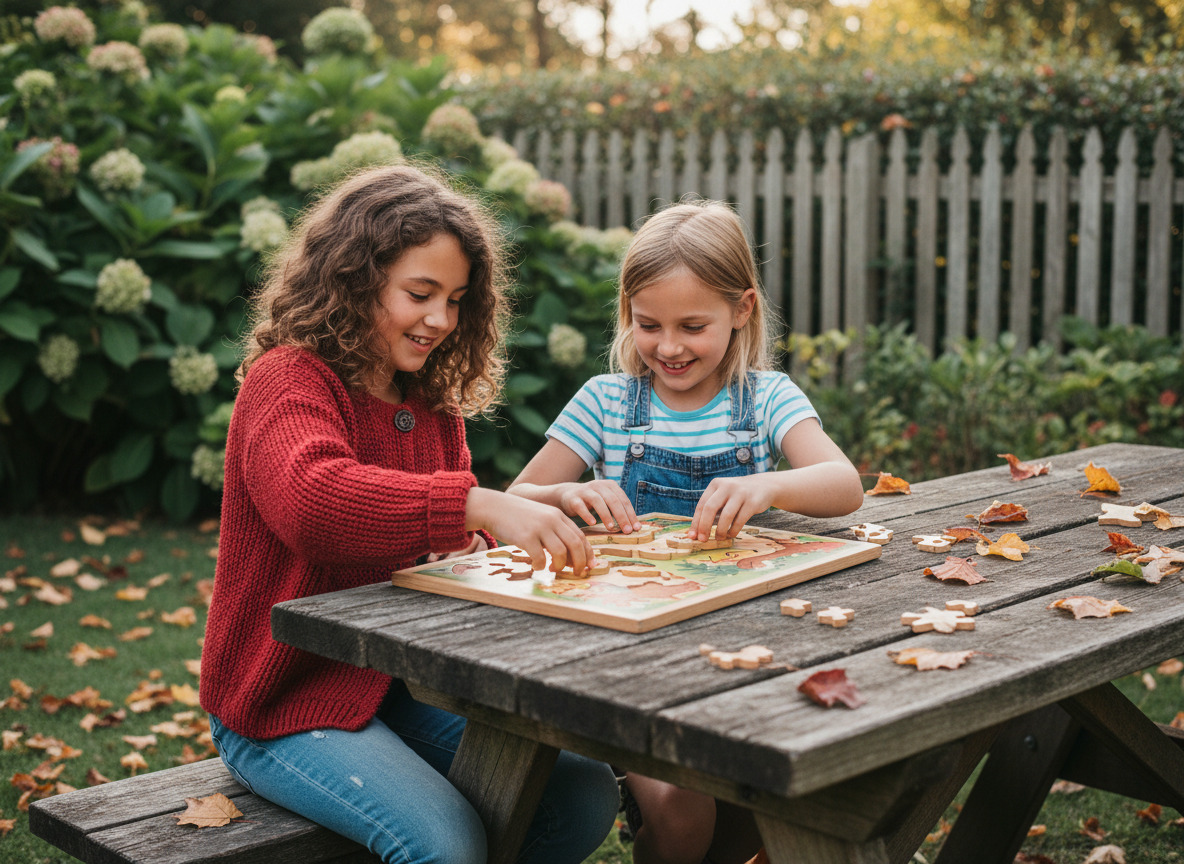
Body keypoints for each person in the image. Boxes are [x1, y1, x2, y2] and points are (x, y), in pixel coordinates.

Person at [199, 164, 619, 864]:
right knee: (444, 844)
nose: (440, 320)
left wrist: (517, 511)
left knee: (579, 791)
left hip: (397, 688)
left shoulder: (428, 403)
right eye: (419, 294)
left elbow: (436, 545)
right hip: (279, 701)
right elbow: (314, 502)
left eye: (455, 300)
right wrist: (474, 502)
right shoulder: (288, 381)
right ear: (353, 281)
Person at [508, 200, 864, 864]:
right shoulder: (607, 402)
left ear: (742, 309)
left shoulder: (766, 399)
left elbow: (844, 484)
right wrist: (568, 490)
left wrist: (768, 485)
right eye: (648, 324)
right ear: (628, 314)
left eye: (692, 325)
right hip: (628, 659)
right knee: (682, 809)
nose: (668, 347)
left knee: (777, 804)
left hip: (744, 646)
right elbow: (516, 498)